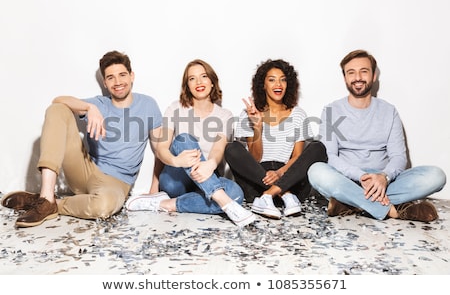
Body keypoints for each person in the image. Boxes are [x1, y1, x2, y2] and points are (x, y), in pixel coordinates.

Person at [1, 51, 163, 227]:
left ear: (132, 76)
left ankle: (49, 204)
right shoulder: (99, 103)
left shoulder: (148, 105)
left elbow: (160, 149)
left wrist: (154, 188)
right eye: (110, 77)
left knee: (103, 207)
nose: (117, 82)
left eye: (122, 75)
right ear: (105, 83)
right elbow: (57, 100)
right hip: (85, 170)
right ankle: (46, 196)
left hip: (117, 182)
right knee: (57, 109)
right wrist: (89, 108)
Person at [308, 49, 446, 222]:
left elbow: (398, 156)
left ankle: (350, 204)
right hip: (347, 179)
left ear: (373, 76)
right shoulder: (331, 111)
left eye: (363, 71)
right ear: (345, 78)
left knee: (436, 176)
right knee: (316, 171)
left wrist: (384, 177)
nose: (357, 77)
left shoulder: (389, 111)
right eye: (351, 72)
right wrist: (361, 177)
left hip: (384, 181)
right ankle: (392, 211)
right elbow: (330, 156)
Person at [125, 59, 256, 228]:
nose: (199, 82)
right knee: (185, 139)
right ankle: (222, 201)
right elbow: (161, 149)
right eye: (192, 78)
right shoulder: (175, 109)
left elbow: (218, 147)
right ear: (187, 85)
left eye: (203, 76)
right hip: (176, 179)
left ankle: (166, 204)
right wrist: (170, 167)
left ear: (212, 82)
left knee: (236, 194)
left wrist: (211, 164)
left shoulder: (225, 115)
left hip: (207, 176)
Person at [224, 59, 327, 219]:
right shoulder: (249, 114)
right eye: (271, 80)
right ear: (263, 85)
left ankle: (274, 193)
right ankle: (281, 194)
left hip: (290, 181)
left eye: (283, 79)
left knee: (318, 147)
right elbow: (254, 158)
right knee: (232, 148)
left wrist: (279, 174)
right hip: (258, 185)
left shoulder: (298, 114)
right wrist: (257, 127)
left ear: (288, 84)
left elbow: (297, 157)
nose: (278, 84)